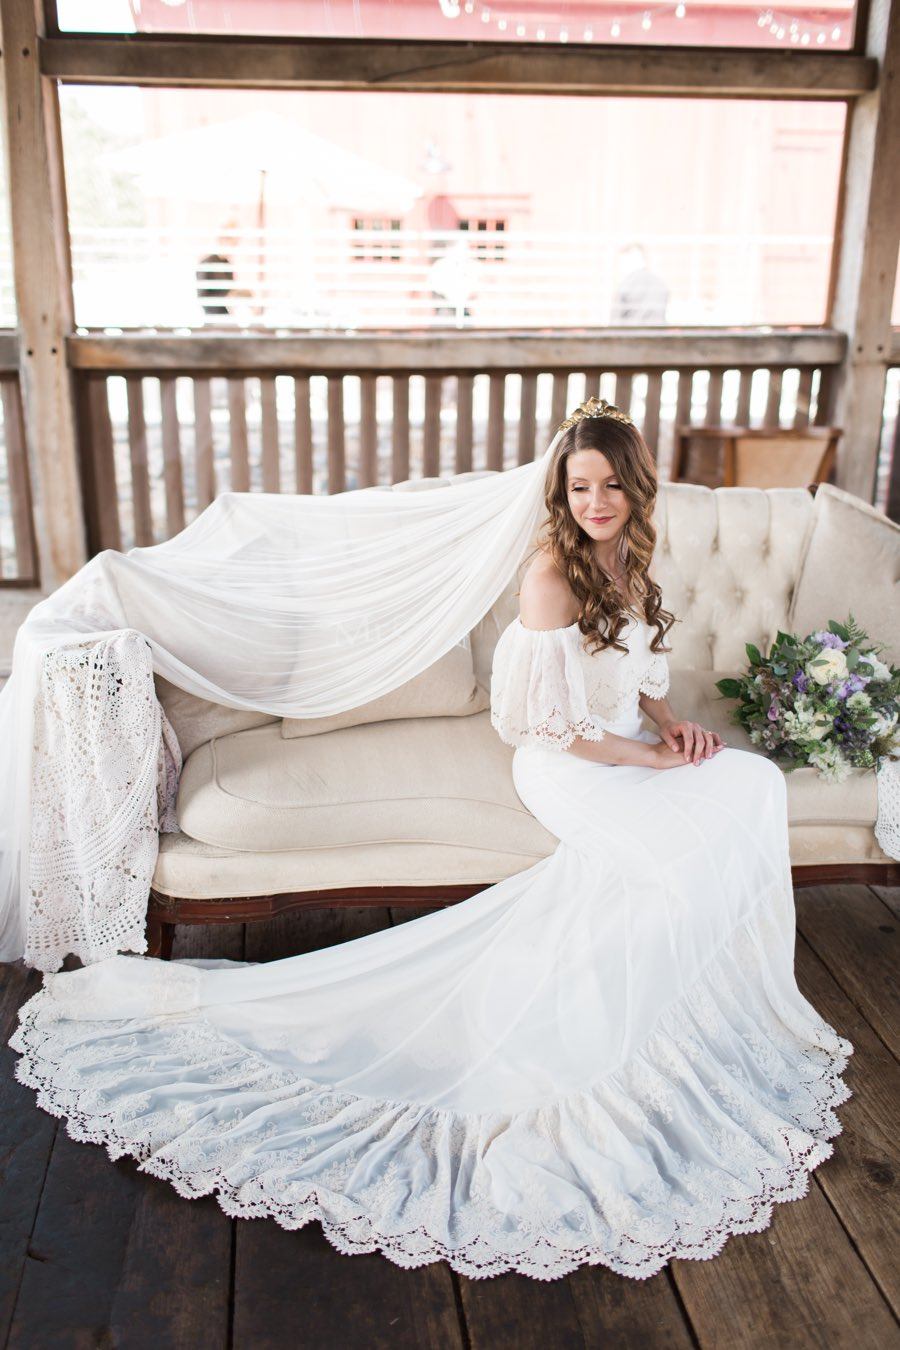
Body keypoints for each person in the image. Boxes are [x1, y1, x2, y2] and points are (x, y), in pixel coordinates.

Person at [9, 398, 852, 1282]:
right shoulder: (550, 576)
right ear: (560, 493)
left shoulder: (632, 564)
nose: (595, 502)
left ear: (635, 491)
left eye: (610, 486)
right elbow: (544, 725)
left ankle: (685, 1017)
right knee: (672, 858)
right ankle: (618, 1041)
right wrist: (648, 764)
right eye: (579, 487)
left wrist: (674, 728)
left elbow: (637, 676)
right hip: (568, 765)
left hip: (626, 747)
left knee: (751, 782)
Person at [610, 242, 669, 324]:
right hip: (656, 333)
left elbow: (615, 320)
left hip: (632, 334)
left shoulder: (626, 284)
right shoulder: (660, 284)